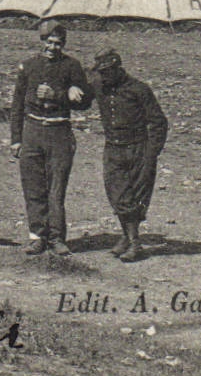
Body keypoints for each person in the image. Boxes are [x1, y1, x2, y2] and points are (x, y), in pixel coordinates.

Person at [9, 24, 92, 255]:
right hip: (32, 130)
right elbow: (17, 105)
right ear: (42, 41)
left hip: (59, 132)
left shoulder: (72, 66)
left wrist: (63, 94)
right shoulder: (29, 65)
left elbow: (86, 102)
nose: (52, 47)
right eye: (49, 42)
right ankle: (37, 236)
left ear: (63, 45)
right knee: (33, 186)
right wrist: (16, 139)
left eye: (58, 43)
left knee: (56, 188)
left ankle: (56, 237)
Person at [94, 49, 168, 262]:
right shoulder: (99, 86)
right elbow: (80, 94)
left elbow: (158, 121)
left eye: (107, 72)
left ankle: (133, 242)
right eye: (101, 72)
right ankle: (129, 238)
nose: (104, 76)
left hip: (138, 149)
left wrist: (151, 152)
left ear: (118, 69)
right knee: (117, 195)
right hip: (113, 149)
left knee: (136, 196)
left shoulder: (139, 89)